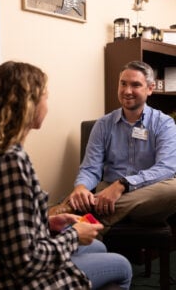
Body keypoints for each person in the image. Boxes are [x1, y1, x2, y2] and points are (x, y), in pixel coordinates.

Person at [0, 61, 132, 290]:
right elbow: (24, 262)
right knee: (123, 266)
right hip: (17, 280)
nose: (47, 106)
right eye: (45, 97)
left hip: (1, 262)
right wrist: (74, 236)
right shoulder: (9, 161)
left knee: (98, 247)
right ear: (27, 104)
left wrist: (47, 223)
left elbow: (7, 226)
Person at [66, 60, 176, 232]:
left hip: (148, 195)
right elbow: (90, 168)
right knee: (99, 191)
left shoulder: (164, 124)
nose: (127, 91)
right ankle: (103, 211)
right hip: (107, 191)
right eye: (123, 84)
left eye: (135, 85)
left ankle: (94, 212)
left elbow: (166, 168)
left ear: (150, 88)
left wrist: (123, 185)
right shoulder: (103, 124)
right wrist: (81, 188)